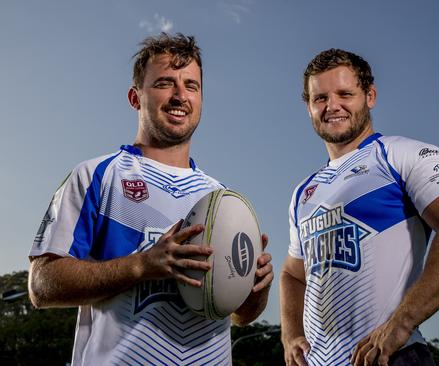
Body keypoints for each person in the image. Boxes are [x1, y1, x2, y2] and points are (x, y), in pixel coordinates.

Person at [28, 33, 273, 366]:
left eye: (191, 86)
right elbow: (42, 285)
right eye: (164, 83)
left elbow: (241, 316)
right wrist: (142, 265)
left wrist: (255, 288)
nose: (179, 96)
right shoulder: (97, 175)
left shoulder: (222, 200)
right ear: (135, 97)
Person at [279, 48, 439, 366]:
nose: (332, 106)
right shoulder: (302, 193)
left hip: (389, 356)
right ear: (308, 106)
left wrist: (402, 322)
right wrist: (290, 335)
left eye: (344, 94)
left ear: (370, 96)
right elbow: (293, 275)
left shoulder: (401, 154)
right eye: (320, 98)